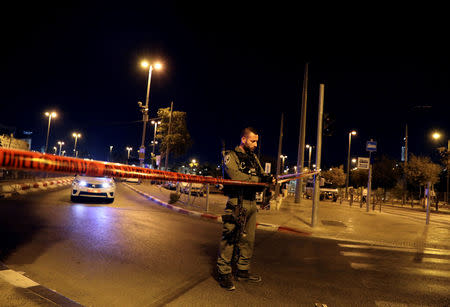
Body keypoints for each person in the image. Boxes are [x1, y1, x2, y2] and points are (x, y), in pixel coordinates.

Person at [216, 127, 273, 291]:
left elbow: (262, 175)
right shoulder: (230, 156)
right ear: (243, 139)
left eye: (256, 141)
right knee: (230, 238)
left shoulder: (254, 158)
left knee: (248, 240)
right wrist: (259, 178)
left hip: (251, 203)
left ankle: (242, 271)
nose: (255, 144)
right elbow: (236, 176)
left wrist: (268, 179)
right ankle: (224, 273)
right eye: (252, 141)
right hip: (236, 202)